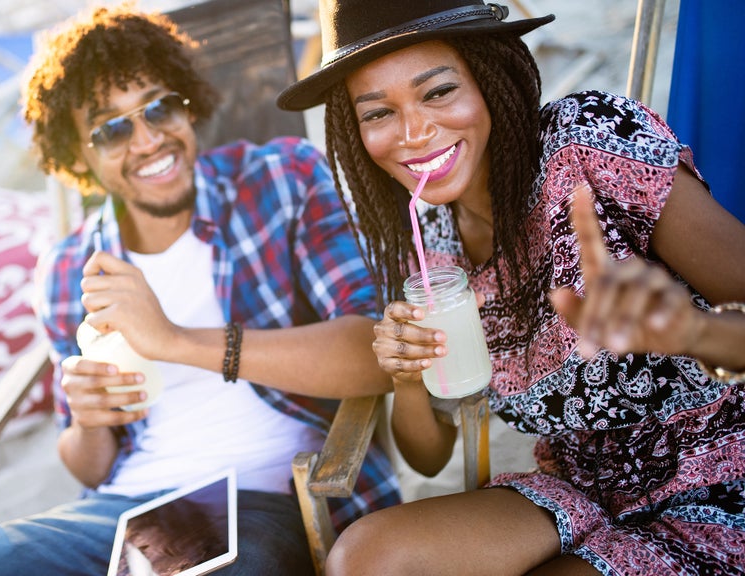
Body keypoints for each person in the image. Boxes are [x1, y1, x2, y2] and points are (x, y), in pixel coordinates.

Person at [276, 0, 745, 574]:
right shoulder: (430, 246)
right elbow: (430, 458)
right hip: (580, 491)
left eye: (439, 91)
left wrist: (692, 330)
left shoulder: (586, 145)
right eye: (378, 113)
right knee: (363, 559)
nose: (415, 132)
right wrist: (406, 378)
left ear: (489, 78)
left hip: (721, 473)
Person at [0, 4, 401, 575]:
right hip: (118, 511)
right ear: (78, 153)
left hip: (270, 495)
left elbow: (374, 354)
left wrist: (174, 340)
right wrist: (88, 419)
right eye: (111, 128)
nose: (149, 138)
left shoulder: (281, 179)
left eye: (160, 107)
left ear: (188, 101)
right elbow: (88, 467)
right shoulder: (67, 268)